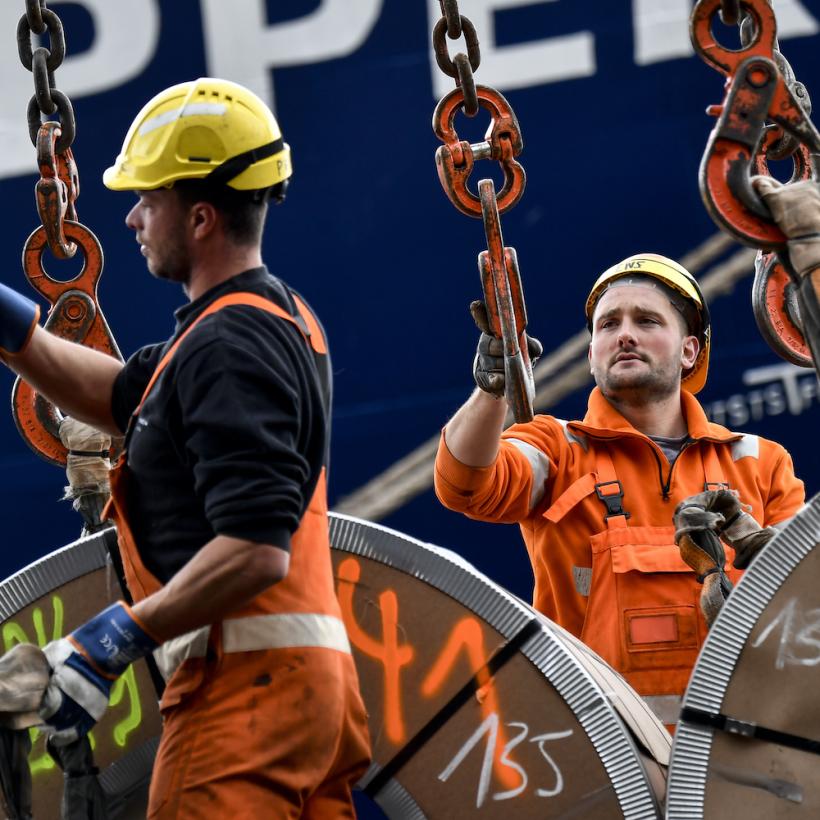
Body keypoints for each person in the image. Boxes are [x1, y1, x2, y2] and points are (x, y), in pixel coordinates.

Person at [0, 78, 370, 817]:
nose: (132, 217)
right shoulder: (267, 321)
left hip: (240, 701)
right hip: (310, 700)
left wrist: (112, 638)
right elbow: (118, 396)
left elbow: (255, 549)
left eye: (148, 198)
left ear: (200, 217)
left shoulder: (226, 346)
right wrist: (9, 328)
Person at [434, 251, 805, 724]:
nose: (625, 334)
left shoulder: (760, 462)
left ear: (689, 351)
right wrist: (491, 392)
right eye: (608, 325)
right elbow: (465, 485)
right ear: (592, 355)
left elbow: (805, 606)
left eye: (647, 320)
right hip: (604, 753)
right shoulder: (557, 449)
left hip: (737, 753)